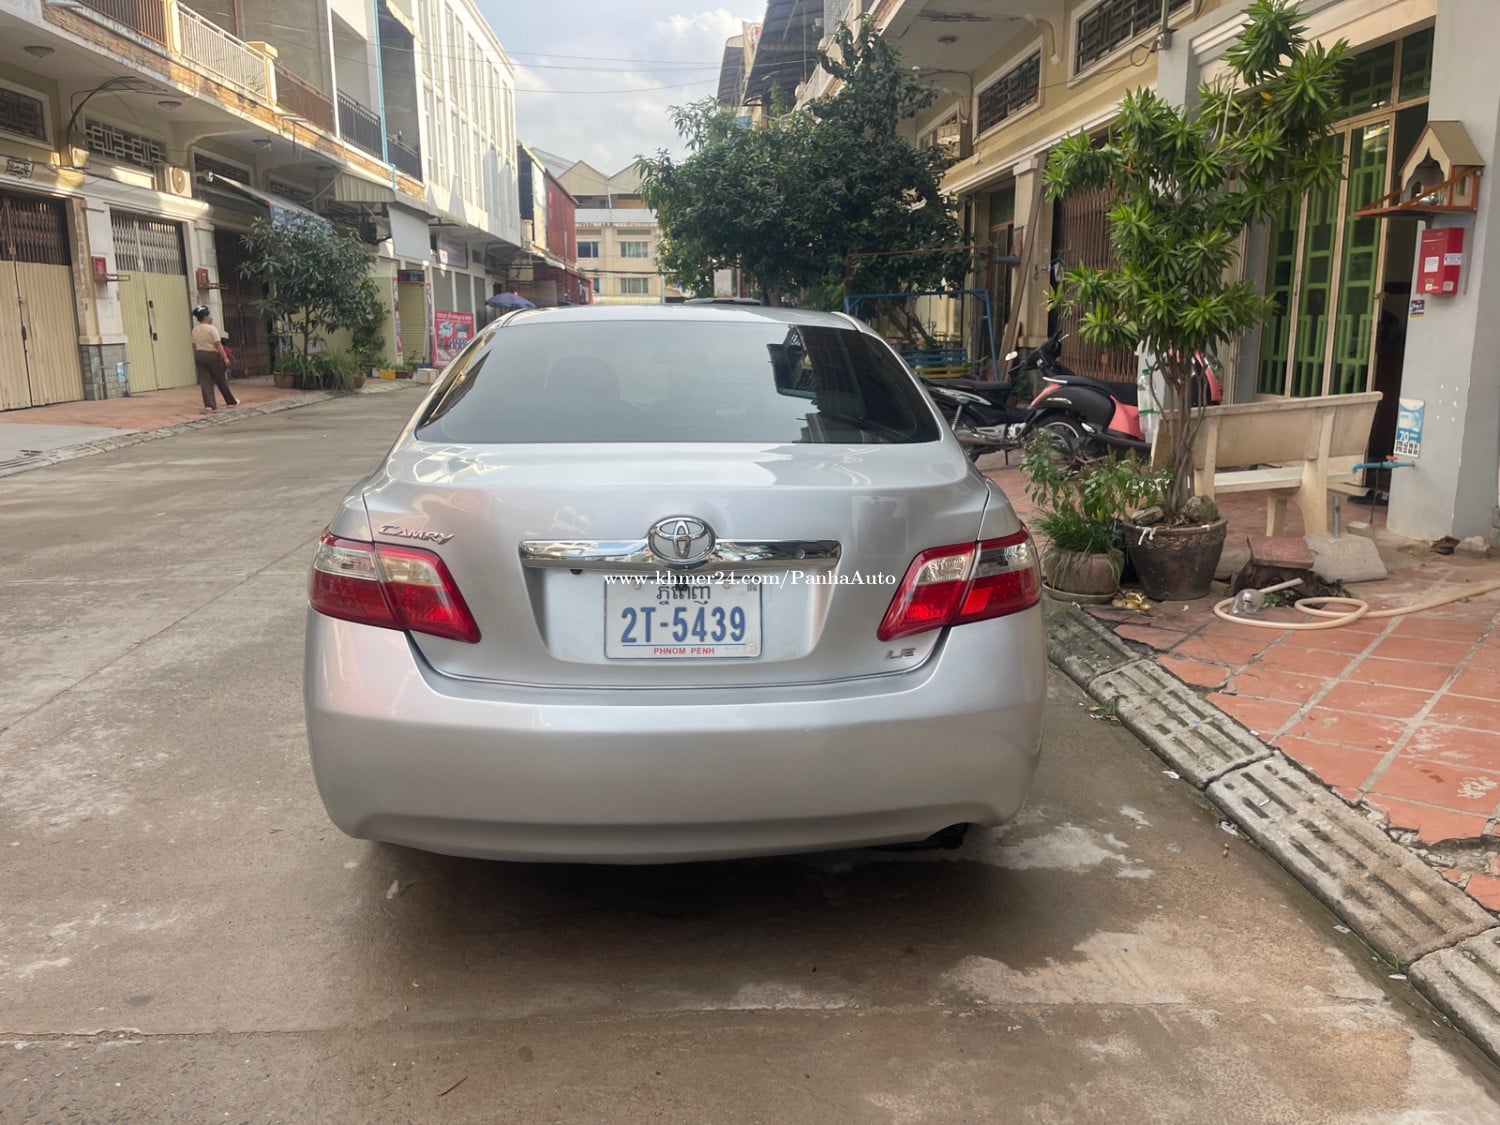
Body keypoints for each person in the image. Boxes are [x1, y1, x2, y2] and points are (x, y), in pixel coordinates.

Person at [191, 305, 238, 411]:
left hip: (200, 354)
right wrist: (225, 357)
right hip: (212, 355)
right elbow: (218, 344)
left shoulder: (195, 330)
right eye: (209, 315)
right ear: (205, 317)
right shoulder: (211, 329)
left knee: (205, 380)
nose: (211, 317)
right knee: (220, 379)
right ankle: (230, 401)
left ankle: (209, 405)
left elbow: (194, 344)